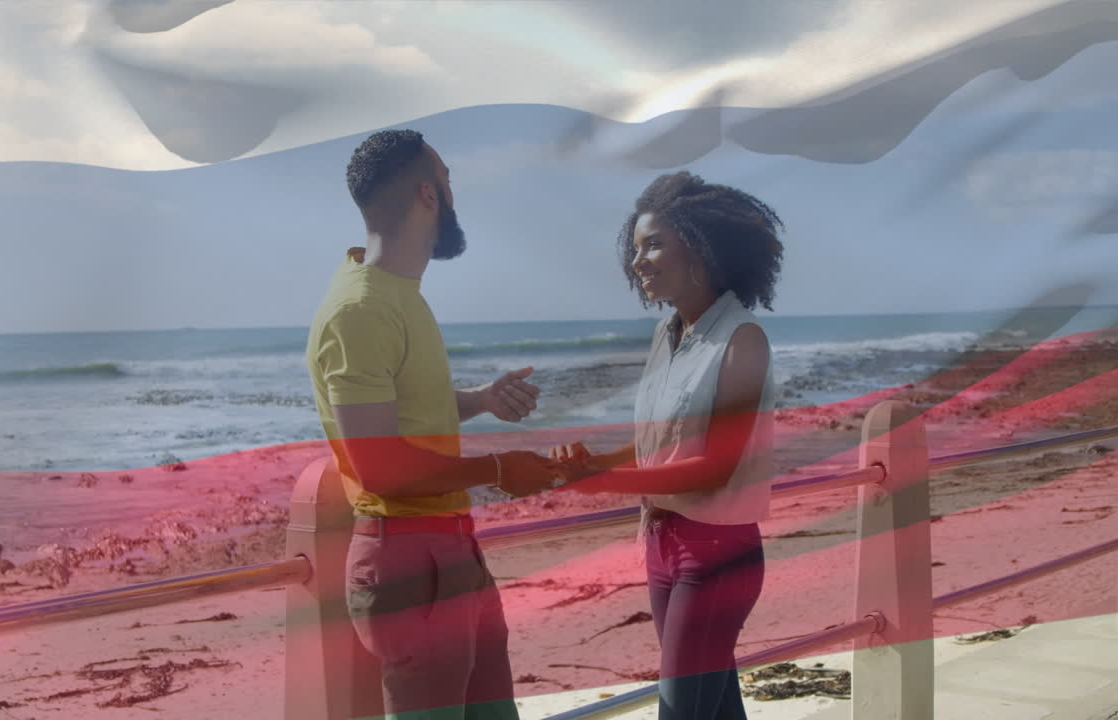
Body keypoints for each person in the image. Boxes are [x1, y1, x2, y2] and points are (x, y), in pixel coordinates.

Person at [307, 128, 563, 719]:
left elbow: (405, 410)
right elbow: (381, 468)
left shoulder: (397, 295)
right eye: (449, 182)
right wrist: (501, 468)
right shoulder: (360, 309)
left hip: (451, 550)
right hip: (406, 558)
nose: (453, 197)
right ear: (428, 195)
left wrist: (479, 400)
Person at [553, 171, 784, 720]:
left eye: (653, 244)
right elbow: (661, 446)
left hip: (716, 556)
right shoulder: (669, 334)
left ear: (702, 246)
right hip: (661, 545)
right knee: (717, 712)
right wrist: (593, 463)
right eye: (635, 248)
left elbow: (714, 469)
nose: (639, 262)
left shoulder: (742, 339)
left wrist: (602, 482)